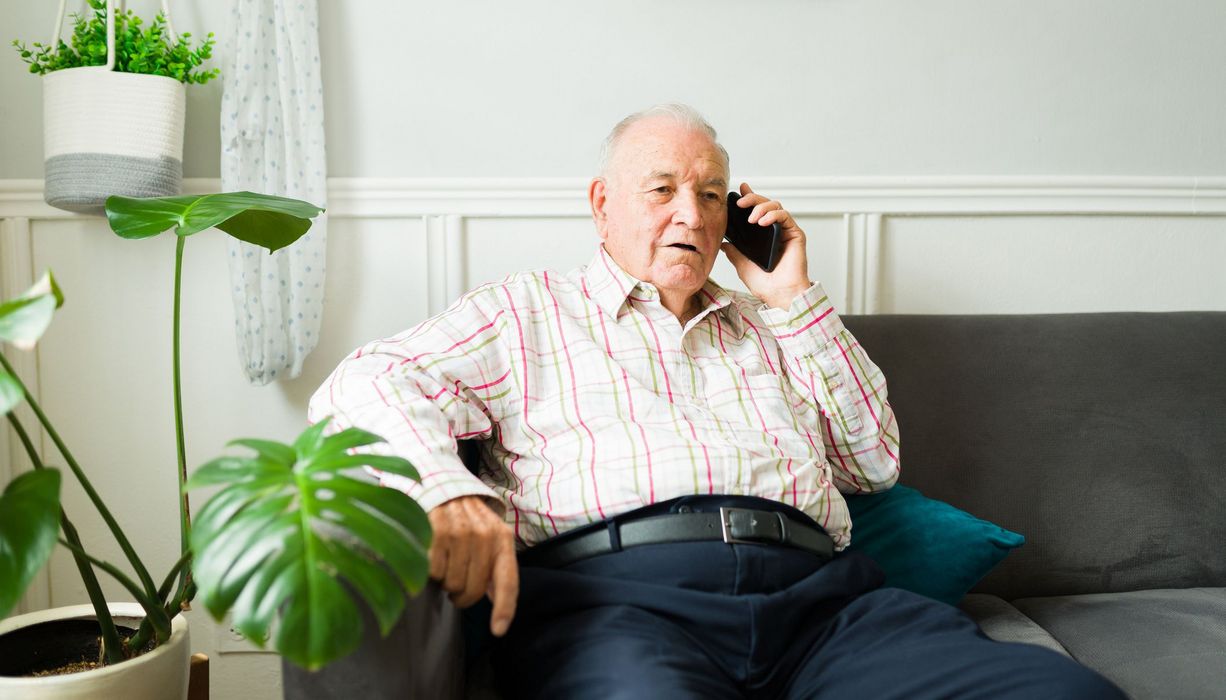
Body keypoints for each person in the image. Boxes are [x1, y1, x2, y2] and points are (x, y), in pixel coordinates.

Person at [310, 104, 1123, 698]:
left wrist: (792, 294)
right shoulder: (526, 311)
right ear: (601, 203)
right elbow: (365, 382)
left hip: (825, 608)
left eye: (710, 194)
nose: (689, 215)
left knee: (1066, 697)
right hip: (618, 605)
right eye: (661, 189)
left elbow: (872, 465)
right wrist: (448, 487)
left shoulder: (775, 328)